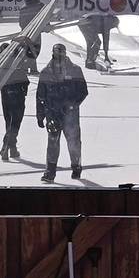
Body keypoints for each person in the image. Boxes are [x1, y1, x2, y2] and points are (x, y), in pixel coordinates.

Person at [36, 44, 89, 183]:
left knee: (73, 142)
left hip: (70, 114)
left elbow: (83, 91)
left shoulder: (75, 70)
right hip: (52, 112)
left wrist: (72, 105)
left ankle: (76, 166)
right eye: (56, 53)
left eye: (61, 53)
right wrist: (40, 115)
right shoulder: (45, 72)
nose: (59, 55)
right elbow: (40, 96)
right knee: (52, 141)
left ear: (65, 54)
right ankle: (50, 172)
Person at [0, 38, 37, 162]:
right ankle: (6, 146)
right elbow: (33, 57)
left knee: (8, 121)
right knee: (15, 121)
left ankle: (12, 147)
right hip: (17, 93)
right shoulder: (17, 59)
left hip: (5, 94)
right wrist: (28, 44)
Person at [18, 0, 45, 73]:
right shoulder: (40, 7)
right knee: (35, 49)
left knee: (28, 49)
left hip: (25, 32)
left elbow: (21, 22)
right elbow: (45, 17)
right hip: (35, 32)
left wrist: (24, 29)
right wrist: (46, 26)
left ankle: (27, 68)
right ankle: (31, 68)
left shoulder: (23, 7)